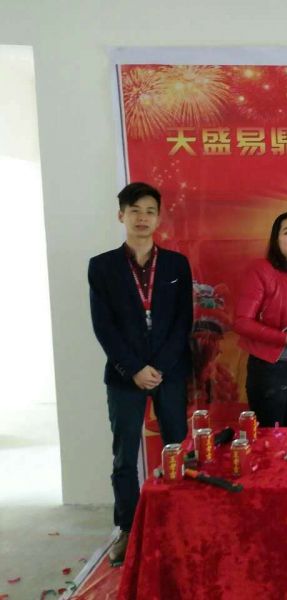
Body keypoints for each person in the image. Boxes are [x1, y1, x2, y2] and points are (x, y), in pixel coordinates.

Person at [88, 182, 193, 566]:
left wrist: (159, 367)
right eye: (135, 210)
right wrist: (133, 368)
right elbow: (103, 326)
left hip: (169, 372)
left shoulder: (177, 265)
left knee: (176, 447)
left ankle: (180, 520)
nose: (142, 218)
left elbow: (183, 321)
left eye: (150, 211)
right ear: (122, 215)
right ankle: (128, 529)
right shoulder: (102, 266)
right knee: (124, 456)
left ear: (159, 217)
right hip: (125, 376)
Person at [234, 211, 287, 428]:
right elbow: (241, 321)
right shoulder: (262, 269)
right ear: (276, 239)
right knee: (269, 436)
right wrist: (283, 338)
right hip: (270, 369)